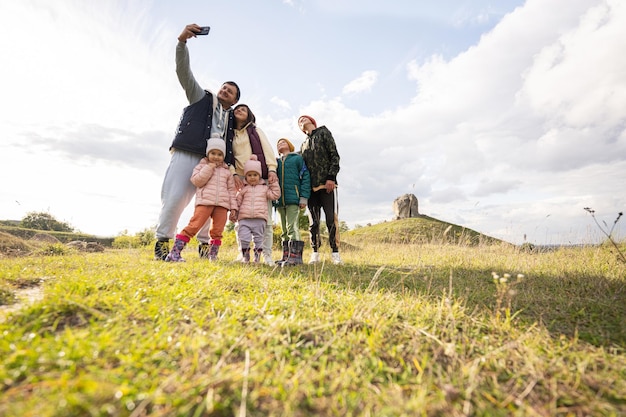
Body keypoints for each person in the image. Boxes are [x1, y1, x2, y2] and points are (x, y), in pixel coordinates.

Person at [154, 23, 241, 261]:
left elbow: (235, 146)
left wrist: (232, 171)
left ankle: (205, 253)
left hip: (216, 164)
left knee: (211, 205)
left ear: (234, 100)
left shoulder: (233, 119)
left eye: (230, 91)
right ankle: (162, 247)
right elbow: (184, 72)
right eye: (224, 87)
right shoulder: (200, 97)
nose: (225, 90)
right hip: (189, 153)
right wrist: (181, 43)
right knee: (175, 199)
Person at [164, 138, 238, 262]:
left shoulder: (227, 172)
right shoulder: (201, 166)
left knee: (218, 231)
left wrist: (234, 207)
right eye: (213, 153)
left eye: (219, 154)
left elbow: (231, 191)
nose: (216, 157)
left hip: (222, 205)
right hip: (205, 202)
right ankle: (174, 253)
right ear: (208, 153)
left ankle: (212, 256)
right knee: (194, 226)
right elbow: (196, 181)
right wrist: (209, 168)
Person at [231, 104, 279, 265]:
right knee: (240, 218)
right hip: (241, 179)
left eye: (243, 109)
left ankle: (267, 255)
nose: (239, 110)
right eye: (237, 108)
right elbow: (228, 156)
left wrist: (272, 169)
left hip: (260, 177)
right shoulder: (230, 134)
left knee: (265, 220)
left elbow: (268, 150)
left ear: (249, 115)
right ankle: (242, 254)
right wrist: (234, 174)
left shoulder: (255, 131)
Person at [297, 115, 342, 265]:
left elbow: (334, 155)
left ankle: (335, 253)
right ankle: (315, 253)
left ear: (312, 121)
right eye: (299, 122)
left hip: (326, 185)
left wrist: (331, 177)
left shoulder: (323, 132)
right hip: (311, 188)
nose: (301, 121)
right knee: (313, 222)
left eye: (304, 119)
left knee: (330, 219)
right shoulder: (303, 145)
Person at [231, 155, 281, 263]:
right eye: (249, 175)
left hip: (259, 219)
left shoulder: (264, 188)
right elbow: (237, 202)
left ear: (259, 176)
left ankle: (257, 258)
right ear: (246, 176)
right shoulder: (243, 189)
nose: (252, 177)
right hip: (244, 219)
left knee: (259, 240)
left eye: (255, 175)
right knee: (243, 238)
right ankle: (245, 256)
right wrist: (234, 212)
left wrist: (274, 183)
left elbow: (275, 195)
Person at [274, 138, 310, 265]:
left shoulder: (297, 159)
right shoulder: (276, 162)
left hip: (293, 199)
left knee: (292, 227)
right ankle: (286, 256)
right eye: (278, 143)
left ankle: (295, 258)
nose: (280, 144)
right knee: (283, 229)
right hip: (279, 200)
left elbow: (305, 177)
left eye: (283, 142)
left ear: (290, 145)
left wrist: (303, 198)